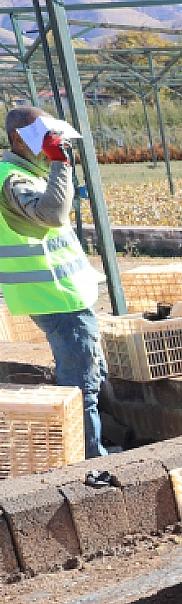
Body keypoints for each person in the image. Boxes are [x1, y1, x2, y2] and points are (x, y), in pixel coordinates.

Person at [0, 106, 105, 459]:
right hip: (55, 296)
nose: (53, 146)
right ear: (19, 140)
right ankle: (90, 460)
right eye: (45, 140)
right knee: (81, 386)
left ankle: (93, 448)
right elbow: (53, 215)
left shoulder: (28, 173)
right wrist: (60, 162)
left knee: (91, 372)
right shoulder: (13, 178)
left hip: (64, 294)